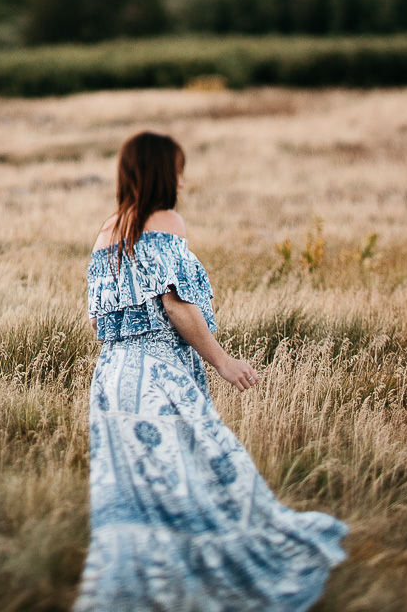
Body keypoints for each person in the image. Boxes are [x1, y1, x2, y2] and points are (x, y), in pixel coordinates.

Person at [76, 131, 347, 611]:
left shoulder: (106, 232)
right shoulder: (166, 222)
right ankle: (203, 578)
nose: (182, 180)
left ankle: (139, 588)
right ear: (161, 173)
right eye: (178, 170)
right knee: (208, 473)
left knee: (135, 494)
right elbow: (177, 306)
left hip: (112, 381)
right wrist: (223, 362)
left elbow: (98, 321)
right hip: (158, 375)